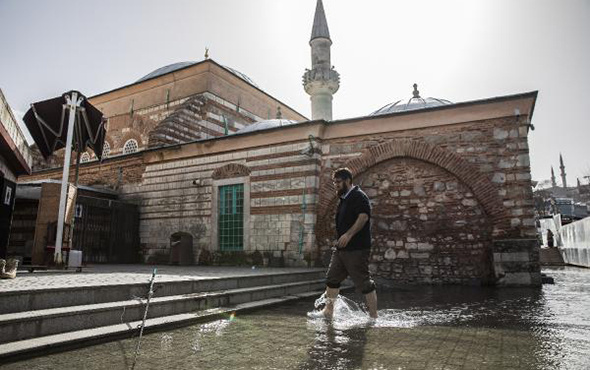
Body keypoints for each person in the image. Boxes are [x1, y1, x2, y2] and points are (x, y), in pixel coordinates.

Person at [308, 167, 378, 320]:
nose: (336, 185)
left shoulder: (359, 196)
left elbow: (363, 217)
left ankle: (373, 317)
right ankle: (328, 311)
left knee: (364, 283)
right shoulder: (344, 199)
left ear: (347, 181)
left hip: (357, 249)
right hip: (341, 249)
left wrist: (349, 234)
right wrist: (339, 238)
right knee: (332, 279)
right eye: (334, 182)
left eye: (338, 182)